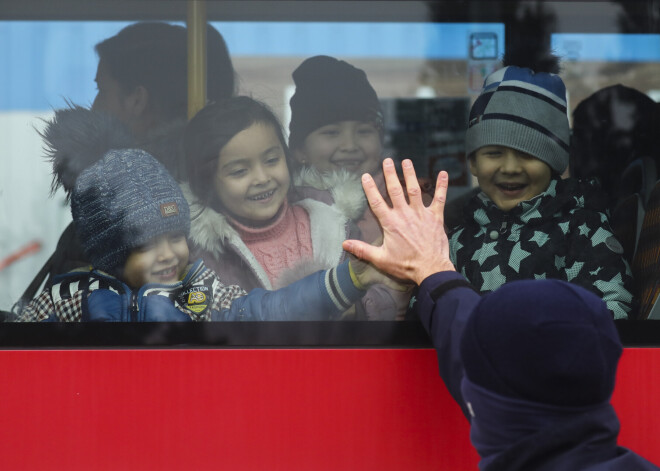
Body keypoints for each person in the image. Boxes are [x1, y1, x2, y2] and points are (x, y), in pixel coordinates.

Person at [342, 158, 659, 470]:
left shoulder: (583, 227)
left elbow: (467, 357)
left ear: (485, 412)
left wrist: (430, 269)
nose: (510, 166)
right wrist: (433, 272)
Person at [16, 107, 385, 323]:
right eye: (147, 245)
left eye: (175, 237)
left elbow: (264, 311)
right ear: (113, 252)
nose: (169, 254)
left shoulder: (196, 291)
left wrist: (349, 278)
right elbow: (22, 351)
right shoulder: (70, 295)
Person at [13, 22, 237, 313]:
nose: (94, 105)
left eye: (101, 90)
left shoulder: (110, 210)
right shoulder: (222, 194)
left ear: (137, 100)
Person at [183, 96, 406, 320]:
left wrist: (357, 308)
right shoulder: (203, 254)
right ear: (206, 183)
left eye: (271, 160)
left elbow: (381, 294)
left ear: (287, 158)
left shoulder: (332, 218)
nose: (262, 178)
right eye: (239, 171)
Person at [448, 59, 634, 319]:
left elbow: (612, 308)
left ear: (554, 163)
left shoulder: (581, 228)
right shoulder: (458, 237)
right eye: (494, 153)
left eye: (528, 154)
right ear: (473, 163)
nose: (510, 167)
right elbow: (429, 309)